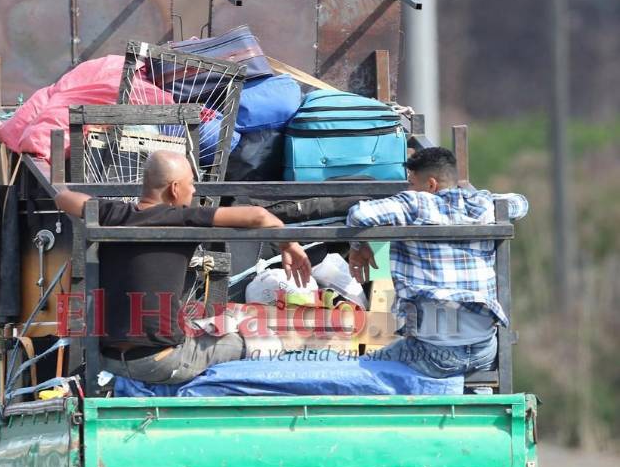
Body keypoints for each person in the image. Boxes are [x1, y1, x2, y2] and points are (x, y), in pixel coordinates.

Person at [54, 150, 311, 384]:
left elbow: (63, 197)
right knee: (254, 342)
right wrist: (290, 246)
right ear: (175, 189)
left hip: (109, 360)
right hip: (162, 363)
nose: (194, 191)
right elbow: (260, 216)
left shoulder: (112, 213)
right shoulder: (184, 218)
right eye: (191, 184)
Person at [346, 147, 529, 378]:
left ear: (431, 185)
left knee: (362, 371)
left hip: (435, 355)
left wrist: (357, 247)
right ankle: (480, 394)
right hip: (485, 350)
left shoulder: (416, 204)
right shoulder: (482, 204)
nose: (407, 189)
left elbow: (358, 215)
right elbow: (520, 203)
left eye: (411, 183)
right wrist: (490, 197)